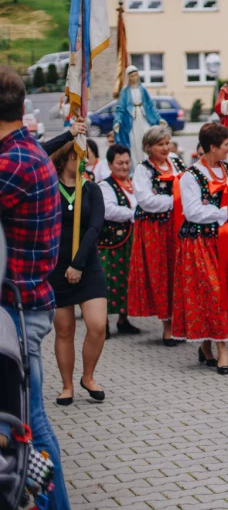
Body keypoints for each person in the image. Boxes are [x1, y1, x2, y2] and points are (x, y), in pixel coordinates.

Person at [0, 67, 71, 510]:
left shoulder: (14, 161)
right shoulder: (24, 151)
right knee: (27, 420)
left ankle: (55, 504)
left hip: (18, 310)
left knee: (30, 423)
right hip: (25, 305)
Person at [171, 123, 228, 374]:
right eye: (226, 144)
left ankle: (206, 346)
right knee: (212, 293)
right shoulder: (191, 175)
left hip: (227, 241)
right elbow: (192, 211)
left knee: (223, 292)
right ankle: (222, 350)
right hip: (201, 242)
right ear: (213, 147)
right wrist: (225, 213)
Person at [48, 143, 108, 406]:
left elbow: (95, 228)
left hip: (87, 265)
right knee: (64, 330)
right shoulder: (49, 188)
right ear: (65, 158)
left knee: (97, 325)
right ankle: (67, 386)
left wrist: (78, 264)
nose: (84, 161)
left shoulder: (92, 189)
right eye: (78, 156)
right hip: (56, 267)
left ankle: (88, 376)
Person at [128, 125, 185, 346]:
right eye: (160, 144)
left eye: (167, 143)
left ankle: (180, 322)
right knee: (161, 273)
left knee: (179, 271)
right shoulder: (143, 170)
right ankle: (167, 327)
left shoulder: (177, 162)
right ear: (148, 147)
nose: (165, 148)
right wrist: (176, 201)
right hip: (156, 229)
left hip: (178, 225)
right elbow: (147, 201)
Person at [97, 144, 140, 338]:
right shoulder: (105, 186)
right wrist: (133, 213)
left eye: (127, 162)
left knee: (129, 280)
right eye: (119, 163)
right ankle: (103, 323)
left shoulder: (134, 183)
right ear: (110, 164)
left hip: (132, 240)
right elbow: (108, 210)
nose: (124, 167)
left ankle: (124, 320)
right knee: (108, 281)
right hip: (111, 243)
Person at [114, 65, 163, 166]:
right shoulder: (125, 92)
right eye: (131, 76)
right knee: (134, 142)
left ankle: (149, 163)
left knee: (146, 139)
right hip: (131, 120)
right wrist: (118, 121)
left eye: (136, 75)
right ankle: (136, 165)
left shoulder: (142, 90)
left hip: (143, 117)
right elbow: (120, 108)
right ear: (128, 77)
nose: (134, 78)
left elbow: (150, 106)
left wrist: (158, 118)